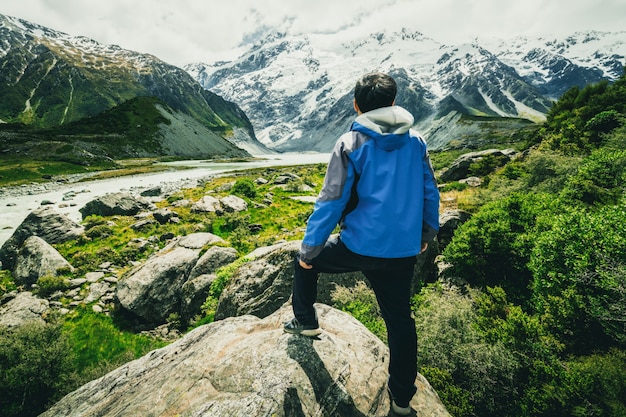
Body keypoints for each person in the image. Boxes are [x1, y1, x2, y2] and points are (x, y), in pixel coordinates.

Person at [283, 71, 440, 415]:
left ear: (356, 105)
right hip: (401, 251)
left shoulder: (350, 143)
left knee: (304, 262)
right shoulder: (416, 142)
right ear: (394, 102)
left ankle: (306, 322)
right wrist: (426, 235)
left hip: (357, 246)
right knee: (400, 321)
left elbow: (331, 201)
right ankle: (401, 401)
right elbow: (430, 191)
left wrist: (309, 251)